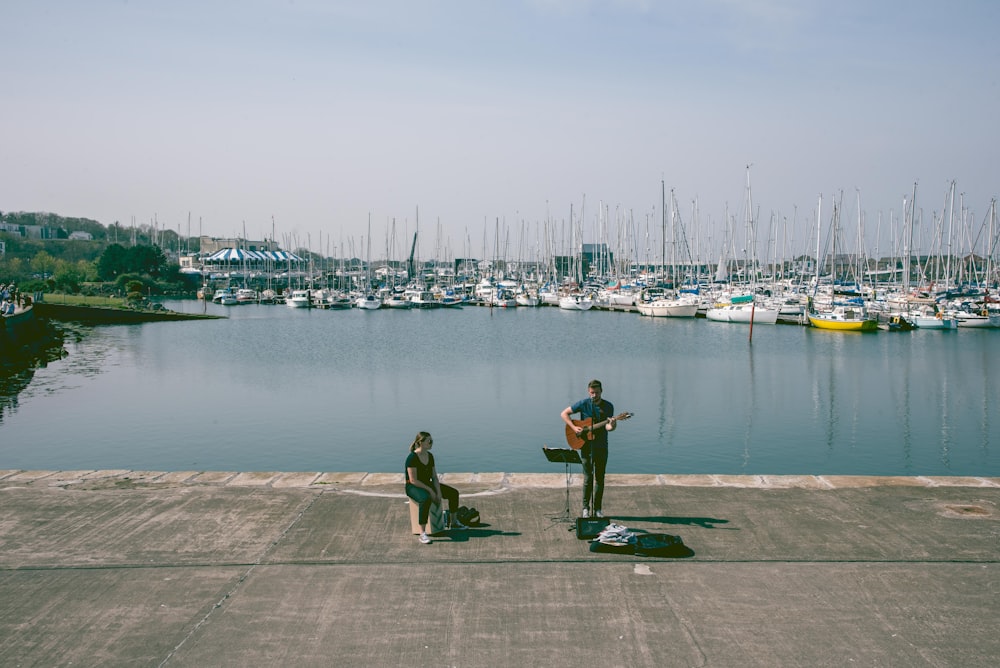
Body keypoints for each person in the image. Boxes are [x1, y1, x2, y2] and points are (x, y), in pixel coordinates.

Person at [560, 379, 617, 519]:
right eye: (592, 392)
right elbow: (564, 414)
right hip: (586, 446)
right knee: (588, 478)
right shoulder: (584, 403)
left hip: (602, 446)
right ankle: (585, 508)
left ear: (601, 391)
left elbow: (608, 428)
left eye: (597, 392)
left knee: (600, 478)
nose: (594, 395)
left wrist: (613, 424)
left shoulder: (608, 406)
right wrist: (574, 428)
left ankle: (597, 509)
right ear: (588, 392)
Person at [404, 431, 467, 544]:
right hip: (413, 486)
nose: (431, 443)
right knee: (425, 498)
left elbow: (434, 477)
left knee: (453, 493)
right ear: (421, 442)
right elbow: (413, 480)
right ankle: (422, 533)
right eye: (429, 441)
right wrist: (430, 491)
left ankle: (454, 522)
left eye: (432, 441)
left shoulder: (430, 456)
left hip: (427, 484)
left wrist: (438, 492)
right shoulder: (412, 457)